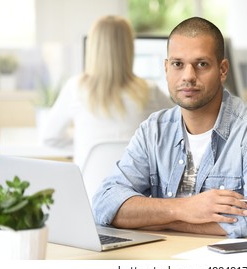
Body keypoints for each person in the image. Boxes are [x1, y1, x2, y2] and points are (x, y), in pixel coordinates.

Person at [92, 17, 247, 239]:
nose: (188, 76)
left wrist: (156, 221)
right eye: (178, 64)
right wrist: (184, 208)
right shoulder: (153, 131)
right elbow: (104, 204)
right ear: (166, 69)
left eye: (201, 64)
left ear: (223, 70)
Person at [40, 15, 173, 169]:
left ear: (93, 47)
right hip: (137, 191)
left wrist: (85, 144)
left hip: (88, 191)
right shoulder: (150, 91)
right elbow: (180, 126)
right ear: (129, 48)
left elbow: (49, 138)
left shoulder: (75, 88)